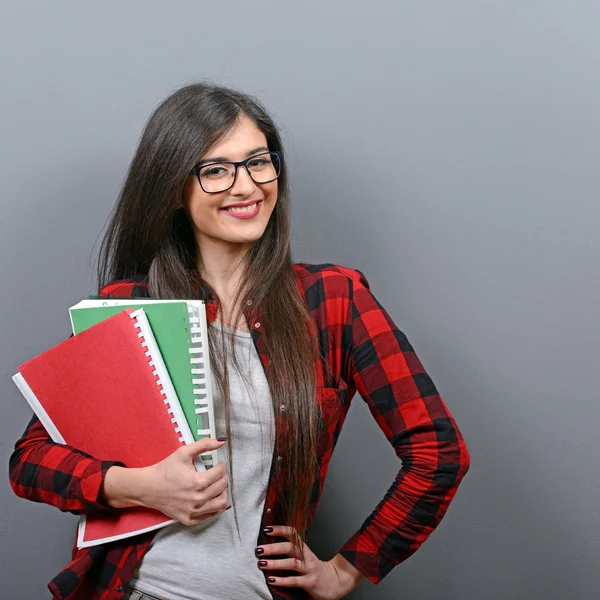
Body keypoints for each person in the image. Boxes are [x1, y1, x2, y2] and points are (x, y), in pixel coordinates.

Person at [9, 82, 471, 600]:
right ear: (173, 190)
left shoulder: (333, 300)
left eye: (258, 162)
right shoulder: (130, 306)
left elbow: (438, 453)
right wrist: (139, 486)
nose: (246, 186)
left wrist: (346, 569)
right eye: (215, 170)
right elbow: (30, 461)